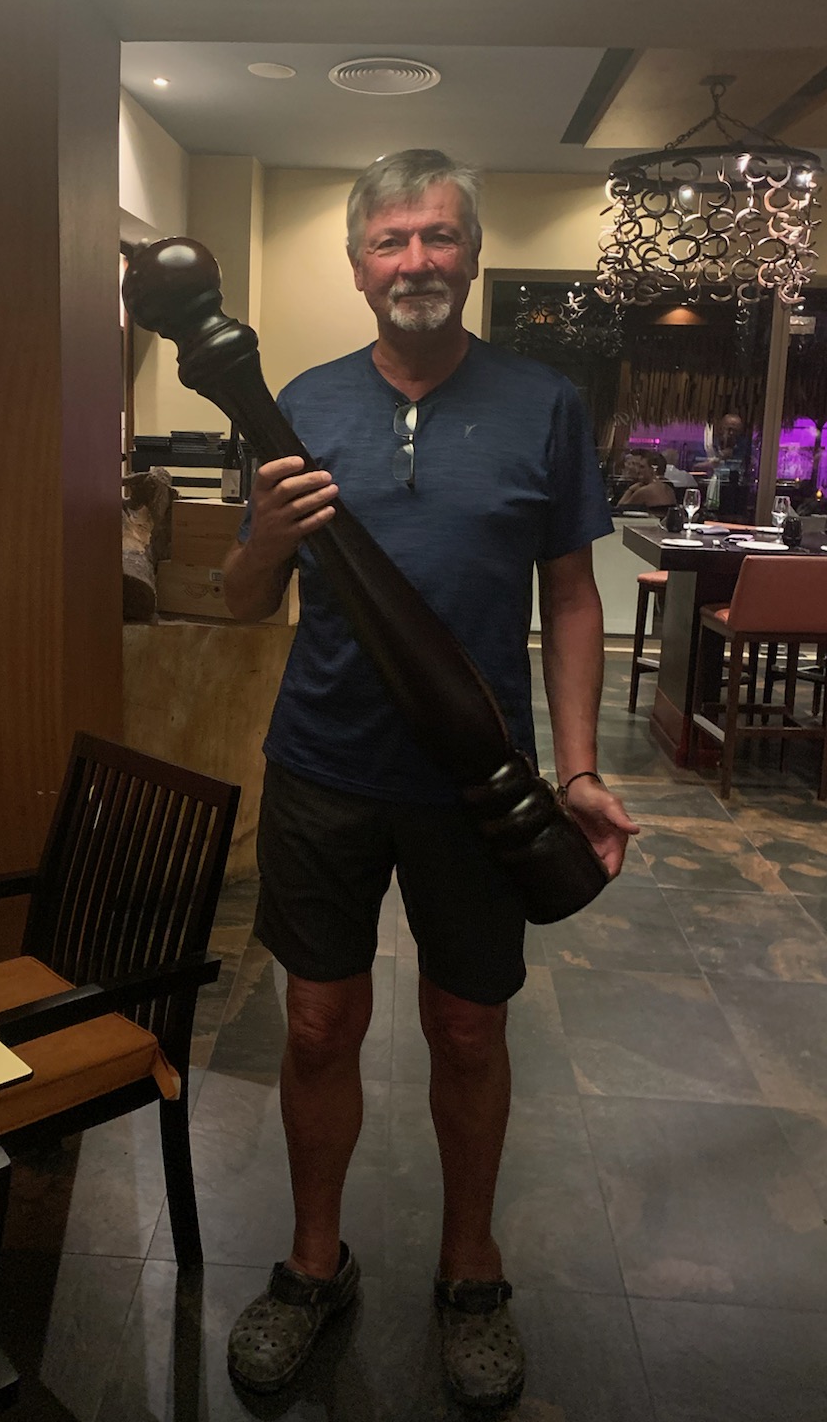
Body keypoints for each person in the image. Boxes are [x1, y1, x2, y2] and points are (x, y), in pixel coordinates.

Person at [221, 149, 638, 1409]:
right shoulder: (298, 404)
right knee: (315, 1024)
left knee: (468, 1028)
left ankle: (470, 1270)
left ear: (473, 252)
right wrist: (267, 537)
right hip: (324, 766)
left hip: (480, 781)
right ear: (358, 265)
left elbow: (572, 596)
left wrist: (578, 766)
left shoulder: (542, 404)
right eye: (392, 240)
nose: (417, 261)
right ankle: (314, 1263)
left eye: (439, 236)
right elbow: (240, 602)